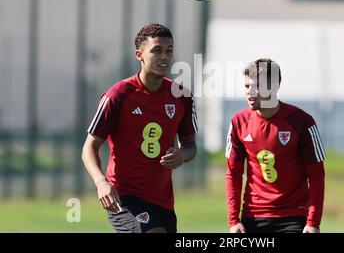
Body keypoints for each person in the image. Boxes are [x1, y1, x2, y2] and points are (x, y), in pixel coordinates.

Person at [81, 23, 198, 233]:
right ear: (139, 55)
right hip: (123, 196)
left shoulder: (183, 96)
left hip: (162, 200)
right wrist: (101, 182)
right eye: (157, 50)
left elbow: (190, 146)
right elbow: (89, 148)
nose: (164, 56)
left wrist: (182, 154)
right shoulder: (118, 96)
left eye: (169, 51)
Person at [225, 58, 325, 233]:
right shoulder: (238, 122)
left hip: (293, 217)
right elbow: (233, 173)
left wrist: (313, 222)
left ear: (274, 86)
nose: (250, 92)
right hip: (252, 217)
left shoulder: (302, 122)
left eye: (256, 86)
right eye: (247, 86)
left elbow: (316, 175)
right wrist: (234, 220)